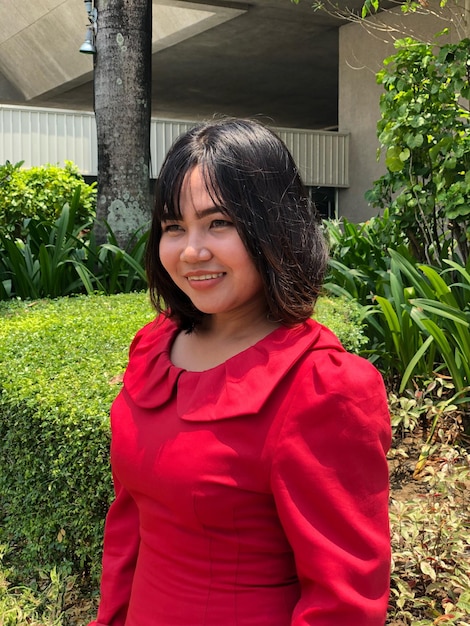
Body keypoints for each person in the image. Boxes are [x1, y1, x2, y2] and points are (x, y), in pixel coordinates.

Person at [88, 118, 391, 626]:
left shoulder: (322, 386)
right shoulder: (154, 349)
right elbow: (128, 526)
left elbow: (344, 605)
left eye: (219, 223)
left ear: (274, 226)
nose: (191, 251)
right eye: (173, 227)